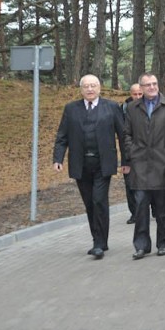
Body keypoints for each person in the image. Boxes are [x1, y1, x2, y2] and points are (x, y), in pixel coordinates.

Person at [52, 74, 127, 259]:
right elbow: (62, 136)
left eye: (93, 85)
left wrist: (127, 161)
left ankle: (98, 244)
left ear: (100, 88)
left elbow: (124, 136)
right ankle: (99, 239)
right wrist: (58, 159)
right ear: (81, 89)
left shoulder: (111, 107)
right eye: (86, 86)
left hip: (103, 163)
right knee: (89, 204)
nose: (90, 89)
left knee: (99, 200)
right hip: (81, 164)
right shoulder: (71, 109)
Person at [124, 73, 165, 259]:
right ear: (141, 87)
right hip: (140, 165)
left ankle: (163, 243)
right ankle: (141, 246)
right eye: (147, 85)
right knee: (140, 206)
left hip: (162, 164)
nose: (151, 87)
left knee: (163, 208)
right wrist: (132, 152)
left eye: (154, 83)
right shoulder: (132, 108)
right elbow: (127, 134)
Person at [122, 83, 143, 224]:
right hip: (130, 153)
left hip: (148, 154)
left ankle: (152, 208)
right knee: (130, 185)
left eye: (140, 94)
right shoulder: (124, 109)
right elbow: (122, 135)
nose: (137, 97)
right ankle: (134, 213)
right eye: (134, 94)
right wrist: (125, 161)